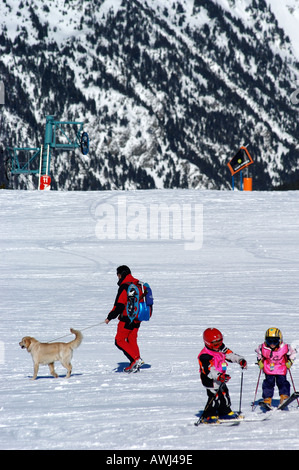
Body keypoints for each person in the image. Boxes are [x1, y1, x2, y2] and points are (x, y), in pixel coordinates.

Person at [198, 327, 247, 423]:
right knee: (214, 397)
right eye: (216, 344)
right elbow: (209, 370)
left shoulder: (221, 348)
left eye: (220, 342)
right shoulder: (204, 356)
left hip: (221, 378)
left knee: (224, 393)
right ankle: (209, 415)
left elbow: (230, 355)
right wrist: (219, 376)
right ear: (208, 343)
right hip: (210, 380)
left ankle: (224, 411)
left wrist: (240, 360)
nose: (218, 346)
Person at [105, 265, 144, 373]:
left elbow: (120, 305)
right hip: (138, 317)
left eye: (118, 275)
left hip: (127, 318)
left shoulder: (125, 286)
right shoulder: (138, 283)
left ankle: (136, 359)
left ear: (120, 275)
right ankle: (134, 363)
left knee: (119, 340)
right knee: (131, 340)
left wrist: (110, 317)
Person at [255, 327, 296, 407]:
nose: (272, 344)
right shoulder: (263, 347)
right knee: (268, 384)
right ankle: (267, 398)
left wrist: (290, 361)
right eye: (269, 341)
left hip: (281, 369)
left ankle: (284, 396)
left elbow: (293, 353)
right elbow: (259, 353)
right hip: (269, 369)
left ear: (279, 340)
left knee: (282, 383)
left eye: (275, 341)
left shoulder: (285, 347)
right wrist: (260, 361)